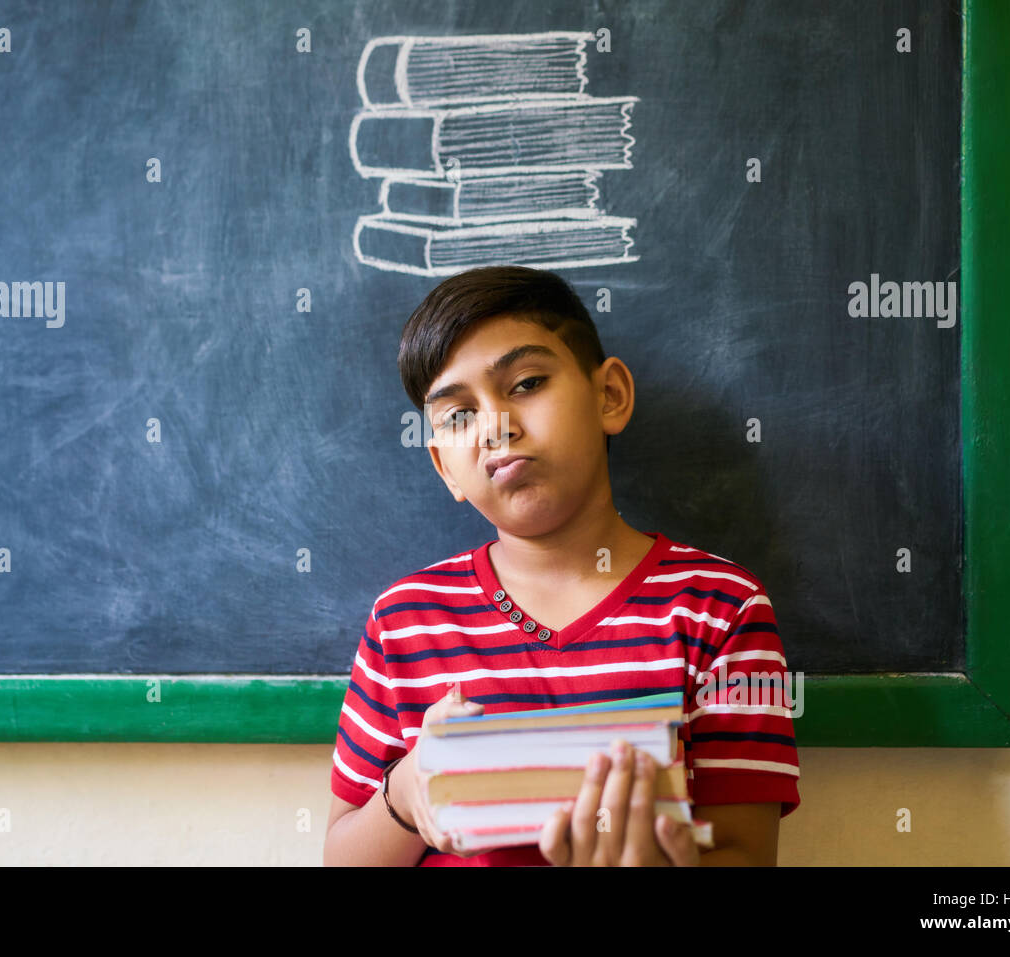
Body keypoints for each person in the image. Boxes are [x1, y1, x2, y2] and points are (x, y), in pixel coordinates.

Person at [322, 266, 799, 866]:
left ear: (609, 396)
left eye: (525, 383)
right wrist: (406, 794)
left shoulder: (720, 607)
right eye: (459, 415)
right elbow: (341, 855)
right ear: (445, 467)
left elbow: (747, 854)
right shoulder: (406, 622)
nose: (495, 425)